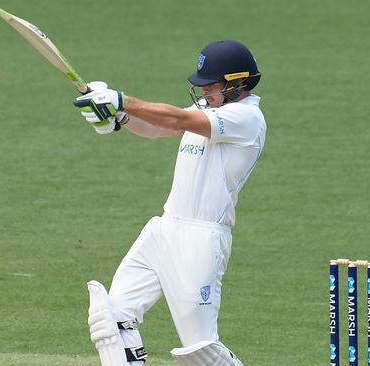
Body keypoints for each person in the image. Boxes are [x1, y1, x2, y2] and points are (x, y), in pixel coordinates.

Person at [75, 39, 266, 366]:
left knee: (201, 351)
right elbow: (155, 127)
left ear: (238, 83)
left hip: (201, 240)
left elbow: (176, 119)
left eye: (212, 86)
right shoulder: (212, 108)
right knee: (114, 318)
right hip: (164, 229)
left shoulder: (246, 119)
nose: (205, 93)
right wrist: (118, 115)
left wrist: (122, 100)